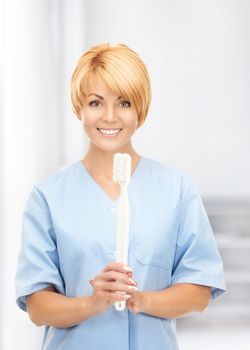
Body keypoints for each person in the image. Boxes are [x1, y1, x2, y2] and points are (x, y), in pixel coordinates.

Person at [15, 43, 226, 350]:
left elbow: (199, 291)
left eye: (124, 103)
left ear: (140, 109)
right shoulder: (47, 198)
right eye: (96, 102)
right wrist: (93, 303)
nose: (110, 117)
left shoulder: (176, 189)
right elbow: (37, 305)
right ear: (79, 108)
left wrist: (141, 300)